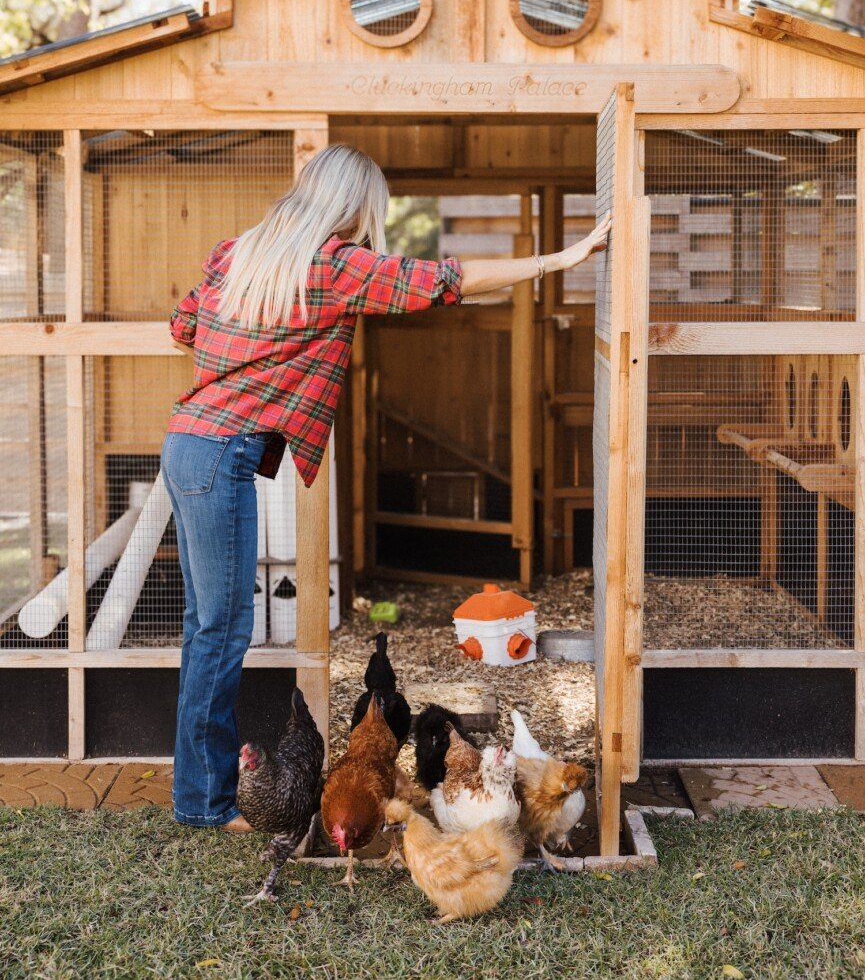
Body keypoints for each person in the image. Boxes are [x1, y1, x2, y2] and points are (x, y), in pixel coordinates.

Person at [161, 143, 611, 831]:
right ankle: (206, 802)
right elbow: (444, 279)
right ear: (352, 204)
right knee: (220, 633)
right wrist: (558, 260)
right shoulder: (332, 264)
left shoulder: (241, 254)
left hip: (190, 443)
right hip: (217, 455)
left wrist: (241, 352)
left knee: (208, 628)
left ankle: (200, 795)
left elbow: (183, 325)